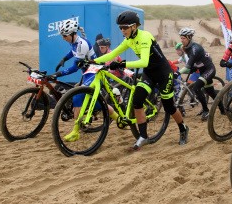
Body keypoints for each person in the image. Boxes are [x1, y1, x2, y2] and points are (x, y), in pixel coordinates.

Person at [93, 10, 189, 149]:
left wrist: (122, 64)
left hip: (163, 72)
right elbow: (113, 53)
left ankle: (183, 128)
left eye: (125, 27)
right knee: (137, 101)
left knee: (168, 106)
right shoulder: (129, 40)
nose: (122, 30)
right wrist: (92, 60)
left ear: (134, 26)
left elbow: (143, 61)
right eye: (120, 27)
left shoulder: (145, 36)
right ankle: (143, 136)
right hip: (149, 73)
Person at [178, 27, 218, 121]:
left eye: (183, 38)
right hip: (202, 70)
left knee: (196, 87)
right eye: (181, 38)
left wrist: (177, 73)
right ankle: (222, 108)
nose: (181, 40)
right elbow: (194, 63)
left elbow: (187, 67)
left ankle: (206, 110)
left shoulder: (195, 48)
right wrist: (194, 67)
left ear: (189, 37)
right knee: (210, 92)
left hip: (209, 69)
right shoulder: (186, 48)